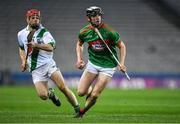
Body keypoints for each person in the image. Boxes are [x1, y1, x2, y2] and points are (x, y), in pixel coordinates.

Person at [17, 9, 80, 115]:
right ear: (27, 19)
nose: (36, 20)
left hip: (48, 64)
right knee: (43, 96)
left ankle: (78, 109)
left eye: (37, 18)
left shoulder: (44, 32)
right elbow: (21, 48)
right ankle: (51, 94)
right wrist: (23, 61)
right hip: (35, 69)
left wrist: (36, 45)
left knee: (63, 87)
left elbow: (51, 47)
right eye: (33, 18)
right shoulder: (21, 34)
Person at [75, 6, 127, 117]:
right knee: (80, 92)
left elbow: (122, 46)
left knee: (95, 95)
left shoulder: (109, 32)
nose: (97, 18)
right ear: (88, 18)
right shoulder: (84, 32)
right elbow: (79, 44)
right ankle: (88, 91)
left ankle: (82, 112)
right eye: (94, 16)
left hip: (108, 66)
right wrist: (79, 59)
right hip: (93, 63)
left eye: (99, 15)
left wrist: (122, 63)